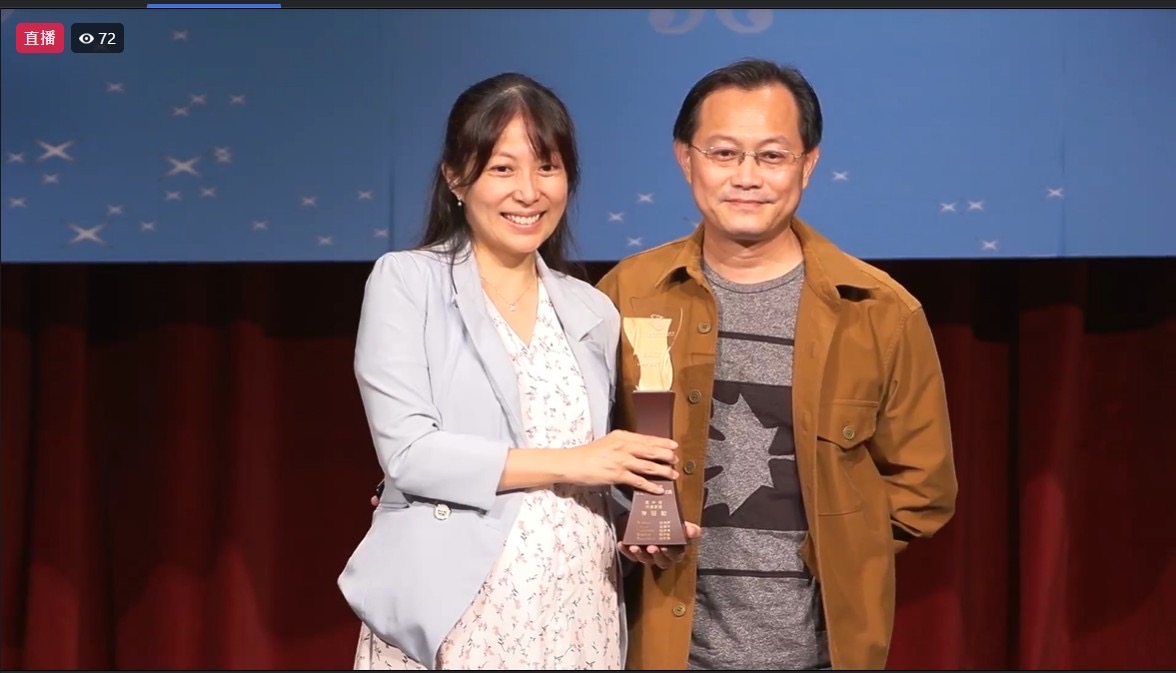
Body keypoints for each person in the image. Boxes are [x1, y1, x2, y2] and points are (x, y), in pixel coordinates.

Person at [597, 58, 958, 670]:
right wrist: (628, 520)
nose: (747, 177)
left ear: (808, 165)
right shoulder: (625, 296)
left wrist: (847, 544)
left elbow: (923, 490)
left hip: (821, 654)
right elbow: (577, 455)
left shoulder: (880, 312)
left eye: (772, 156)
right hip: (663, 649)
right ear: (686, 158)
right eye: (723, 153)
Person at [337, 72, 686, 671]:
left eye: (547, 167)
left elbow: (592, 482)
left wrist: (643, 528)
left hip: (580, 611)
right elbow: (410, 454)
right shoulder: (407, 281)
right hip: (460, 610)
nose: (529, 191)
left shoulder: (591, 308)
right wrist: (577, 459)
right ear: (455, 177)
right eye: (502, 169)